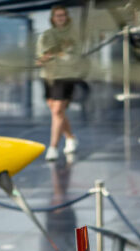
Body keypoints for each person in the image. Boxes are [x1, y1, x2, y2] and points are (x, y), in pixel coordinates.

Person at [36, 6, 84, 161]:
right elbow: (41, 54)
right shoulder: (46, 35)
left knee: (57, 111)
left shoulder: (73, 35)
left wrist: (56, 55)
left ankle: (53, 147)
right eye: (57, 16)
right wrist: (44, 58)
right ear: (53, 18)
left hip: (65, 76)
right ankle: (70, 137)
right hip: (49, 76)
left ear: (67, 16)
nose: (60, 18)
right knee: (56, 110)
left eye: (63, 15)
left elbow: (74, 55)